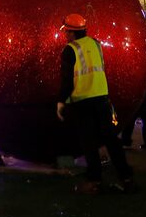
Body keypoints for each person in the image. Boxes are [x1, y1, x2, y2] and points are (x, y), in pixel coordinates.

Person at [56, 13, 134, 194]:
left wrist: (61, 101)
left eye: (66, 31)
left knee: (88, 142)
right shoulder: (96, 45)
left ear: (72, 33)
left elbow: (67, 80)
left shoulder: (70, 49)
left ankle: (94, 181)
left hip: (83, 102)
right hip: (102, 99)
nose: (65, 35)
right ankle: (126, 177)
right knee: (111, 140)